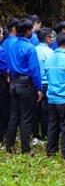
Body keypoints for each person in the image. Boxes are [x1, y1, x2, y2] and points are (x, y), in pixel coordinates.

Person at [6, 18, 43, 154]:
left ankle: (9, 145)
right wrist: (39, 88)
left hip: (14, 82)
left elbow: (9, 66)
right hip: (26, 84)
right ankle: (25, 149)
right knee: (26, 117)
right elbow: (34, 70)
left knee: (14, 115)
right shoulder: (30, 48)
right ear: (28, 31)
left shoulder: (12, 46)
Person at [32, 28, 54, 143]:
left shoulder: (34, 49)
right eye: (51, 37)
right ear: (47, 38)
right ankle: (45, 135)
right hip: (46, 83)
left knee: (35, 110)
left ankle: (35, 135)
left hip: (34, 83)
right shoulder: (50, 52)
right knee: (45, 111)